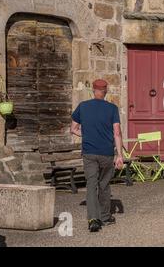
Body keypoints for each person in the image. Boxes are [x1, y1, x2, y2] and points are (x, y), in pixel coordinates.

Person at [70, 79, 124, 232]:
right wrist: (119, 155)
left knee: (91, 184)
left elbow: (73, 129)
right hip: (106, 153)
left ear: (93, 90)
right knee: (104, 185)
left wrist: (86, 135)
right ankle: (105, 217)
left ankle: (93, 219)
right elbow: (117, 132)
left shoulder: (83, 106)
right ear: (105, 91)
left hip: (89, 153)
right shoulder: (112, 109)